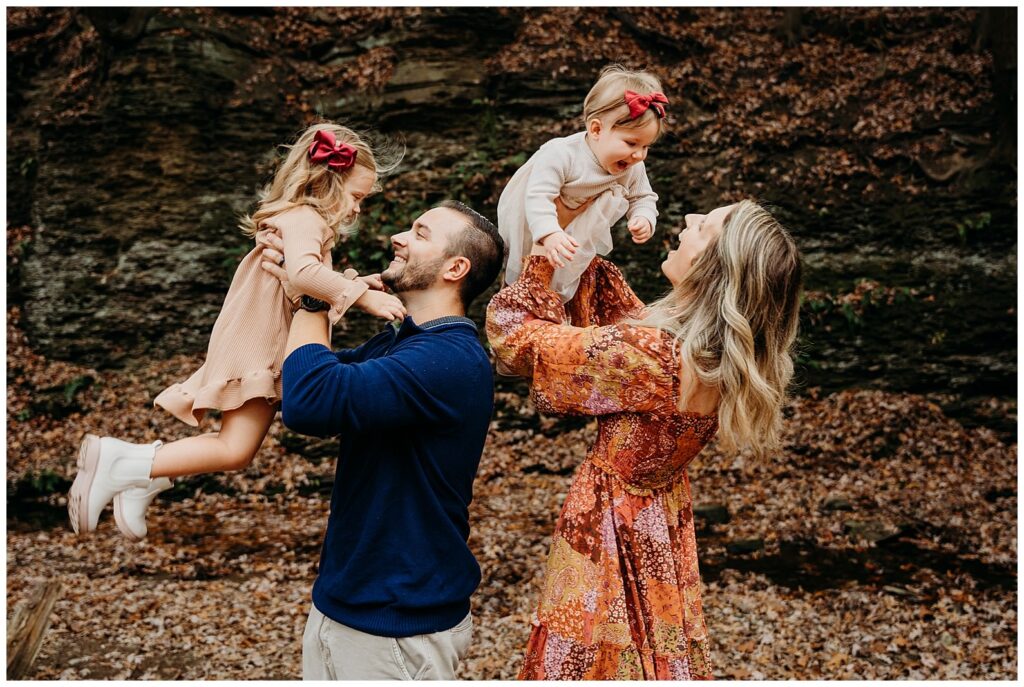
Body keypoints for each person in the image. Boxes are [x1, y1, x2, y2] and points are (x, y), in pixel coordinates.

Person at [486, 200, 802, 679]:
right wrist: (577, 241)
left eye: (705, 226)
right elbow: (624, 321)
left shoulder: (653, 358)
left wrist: (542, 259)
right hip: (657, 523)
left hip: (611, 526)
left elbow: (518, 342)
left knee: (593, 657)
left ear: (712, 265)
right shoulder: (712, 358)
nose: (689, 221)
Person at [67, 122, 405, 541]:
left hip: (260, 337)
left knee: (237, 447)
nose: (357, 209)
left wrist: (359, 281)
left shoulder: (300, 219)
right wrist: (363, 298)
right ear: (327, 183)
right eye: (356, 197)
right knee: (235, 449)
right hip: (259, 343)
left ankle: (143, 477)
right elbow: (303, 274)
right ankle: (124, 463)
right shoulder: (306, 219)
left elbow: (306, 282)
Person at [258, 200, 505, 680]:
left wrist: (312, 295)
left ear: (456, 268)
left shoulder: (448, 359)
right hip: (347, 600)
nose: (399, 237)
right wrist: (307, 288)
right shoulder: (403, 344)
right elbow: (299, 380)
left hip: (398, 623)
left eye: (420, 232)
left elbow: (312, 404)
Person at [498, 63, 667, 303]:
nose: (639, 155)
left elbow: (643, 197)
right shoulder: (562, 154)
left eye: (646, 146)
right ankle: (515, 304)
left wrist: (643, 217)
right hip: (533, 220)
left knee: (564, 277)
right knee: (522, 277)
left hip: (577, 230)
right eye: (631, 143)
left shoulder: (632, 165)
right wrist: (550, 232)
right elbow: (538, 196)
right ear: (596, 129)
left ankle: (554, 312)